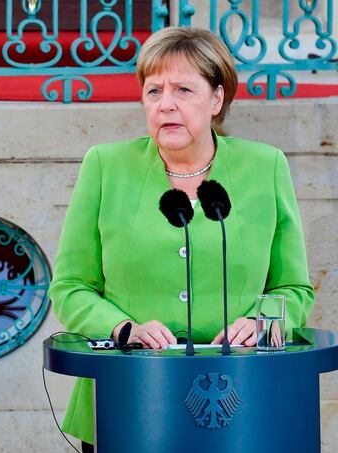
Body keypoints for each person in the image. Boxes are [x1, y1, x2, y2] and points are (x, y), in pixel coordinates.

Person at [47, 27, 314, 451]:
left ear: (217, 99)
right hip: (128, 400)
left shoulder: (266, 167)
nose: (165, 104)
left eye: (183, 89)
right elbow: (69, 287)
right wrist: (122, 328)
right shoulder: (105, 166)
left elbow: (294, 288)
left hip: (244, 401)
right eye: (154, 91)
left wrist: (262, 324)